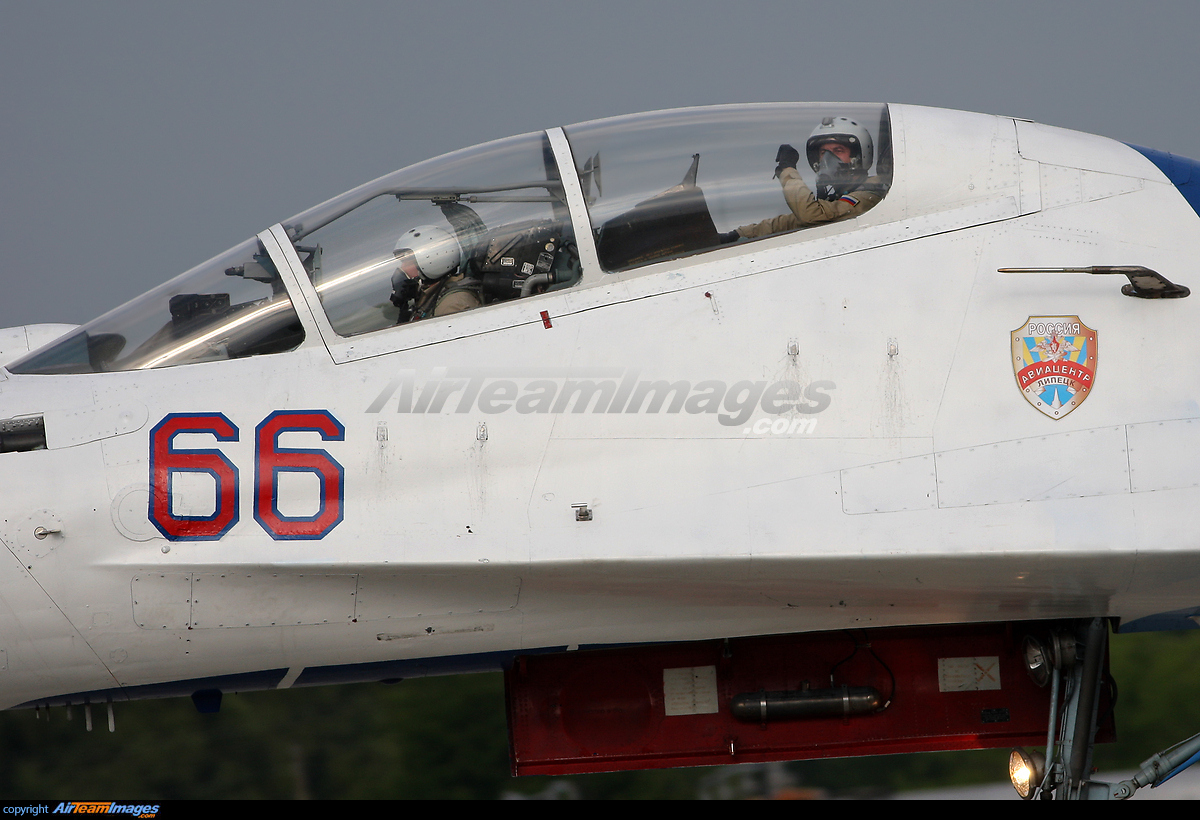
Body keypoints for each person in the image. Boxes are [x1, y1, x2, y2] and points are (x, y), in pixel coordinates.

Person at [724, 116, 887, 241]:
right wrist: (738, 234)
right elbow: (791, 222)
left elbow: (810, 215)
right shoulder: (839, 198)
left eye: (838, 150)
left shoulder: (870, 195)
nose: (827, 160)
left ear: (859, 156)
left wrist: (787, 170)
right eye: (823, 153)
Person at [389, 225, 482, 323]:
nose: (402, 268)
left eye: (408, 262)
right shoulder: (429, 296)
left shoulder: (454, 304)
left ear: (431, 261)